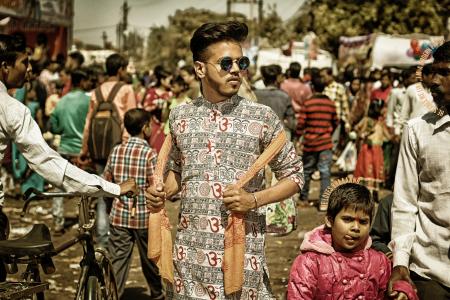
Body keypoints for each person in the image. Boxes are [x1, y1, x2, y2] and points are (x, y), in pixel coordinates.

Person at [146, 21, 304, 299]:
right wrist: (161, 191)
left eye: (241, 62)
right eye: (226, 63)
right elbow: (178, 174)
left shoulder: (261, 117)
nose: (236, 70)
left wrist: (253, 200)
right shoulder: (181, 117)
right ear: (199, 69)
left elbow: (294, 176)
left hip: (242, 258)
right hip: (189, 259)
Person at [0, 34, 136, 280]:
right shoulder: (10, 108)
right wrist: (112, 188)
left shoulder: (66, 100)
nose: (30, 69)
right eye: (24, 62)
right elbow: (50, 165)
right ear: (5, 67)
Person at [388, 41, 450, 299]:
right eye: (432, 72)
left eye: (445, 72)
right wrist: (400, 261)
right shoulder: (417, 130)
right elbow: (405, 202)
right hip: (430, 269)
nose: (433, 80)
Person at [287, 181, 415, 299]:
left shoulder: (379, 262)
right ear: (330, 220)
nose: (355, 228)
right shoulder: (310, 263)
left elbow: (392, 292)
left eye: (363, 222)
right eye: (348, 219)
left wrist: (402, 290)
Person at [103, 108, 163, 299]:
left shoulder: (116, 150)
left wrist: (109, 206)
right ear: (145, 128)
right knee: (150, 260)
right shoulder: (149, 154)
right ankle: (157, 293)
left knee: (117, 261)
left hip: (119, 216)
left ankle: (113, 295)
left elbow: (107, 181)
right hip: (144, 218)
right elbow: (156, 186)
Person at [80, 53, 137, 248]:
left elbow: (88, 122)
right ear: (120, 69)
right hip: (118, 146)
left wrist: (84, 148)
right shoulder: (126, 89)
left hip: (98, 147)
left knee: (102, 190)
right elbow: (131, 119)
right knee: (120, 189)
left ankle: (103, 237)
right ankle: (118, 234)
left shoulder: (96, 91)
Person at [49, 69, 90, 234]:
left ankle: (58, 221)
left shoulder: (62, 101)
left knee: (58, 186)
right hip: (81, 150)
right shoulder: (89, 100)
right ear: (82, 82)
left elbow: (54, 126)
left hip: (64, 147)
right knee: (85, 186)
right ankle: (83, 221)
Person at [297, 76, 337, 209]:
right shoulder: (330, 103)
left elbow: (301, 123)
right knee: (325, 172)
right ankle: (324, 203)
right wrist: (328, 131)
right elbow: (336, 121)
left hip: (310, 143)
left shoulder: (308, 103)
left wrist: (299, 136)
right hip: (325, 143)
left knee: (307, 171)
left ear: (312, 87)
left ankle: (303, 199)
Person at [353, 100, 391, 202]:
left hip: (376, 149)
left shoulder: (380, 122)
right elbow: (356, 128)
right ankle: (369, 195)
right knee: (368, 170)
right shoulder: (368, 120)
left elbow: (387, 136)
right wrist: (363, 133)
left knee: (374, 169)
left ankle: (373, 194)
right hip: (369, 149)